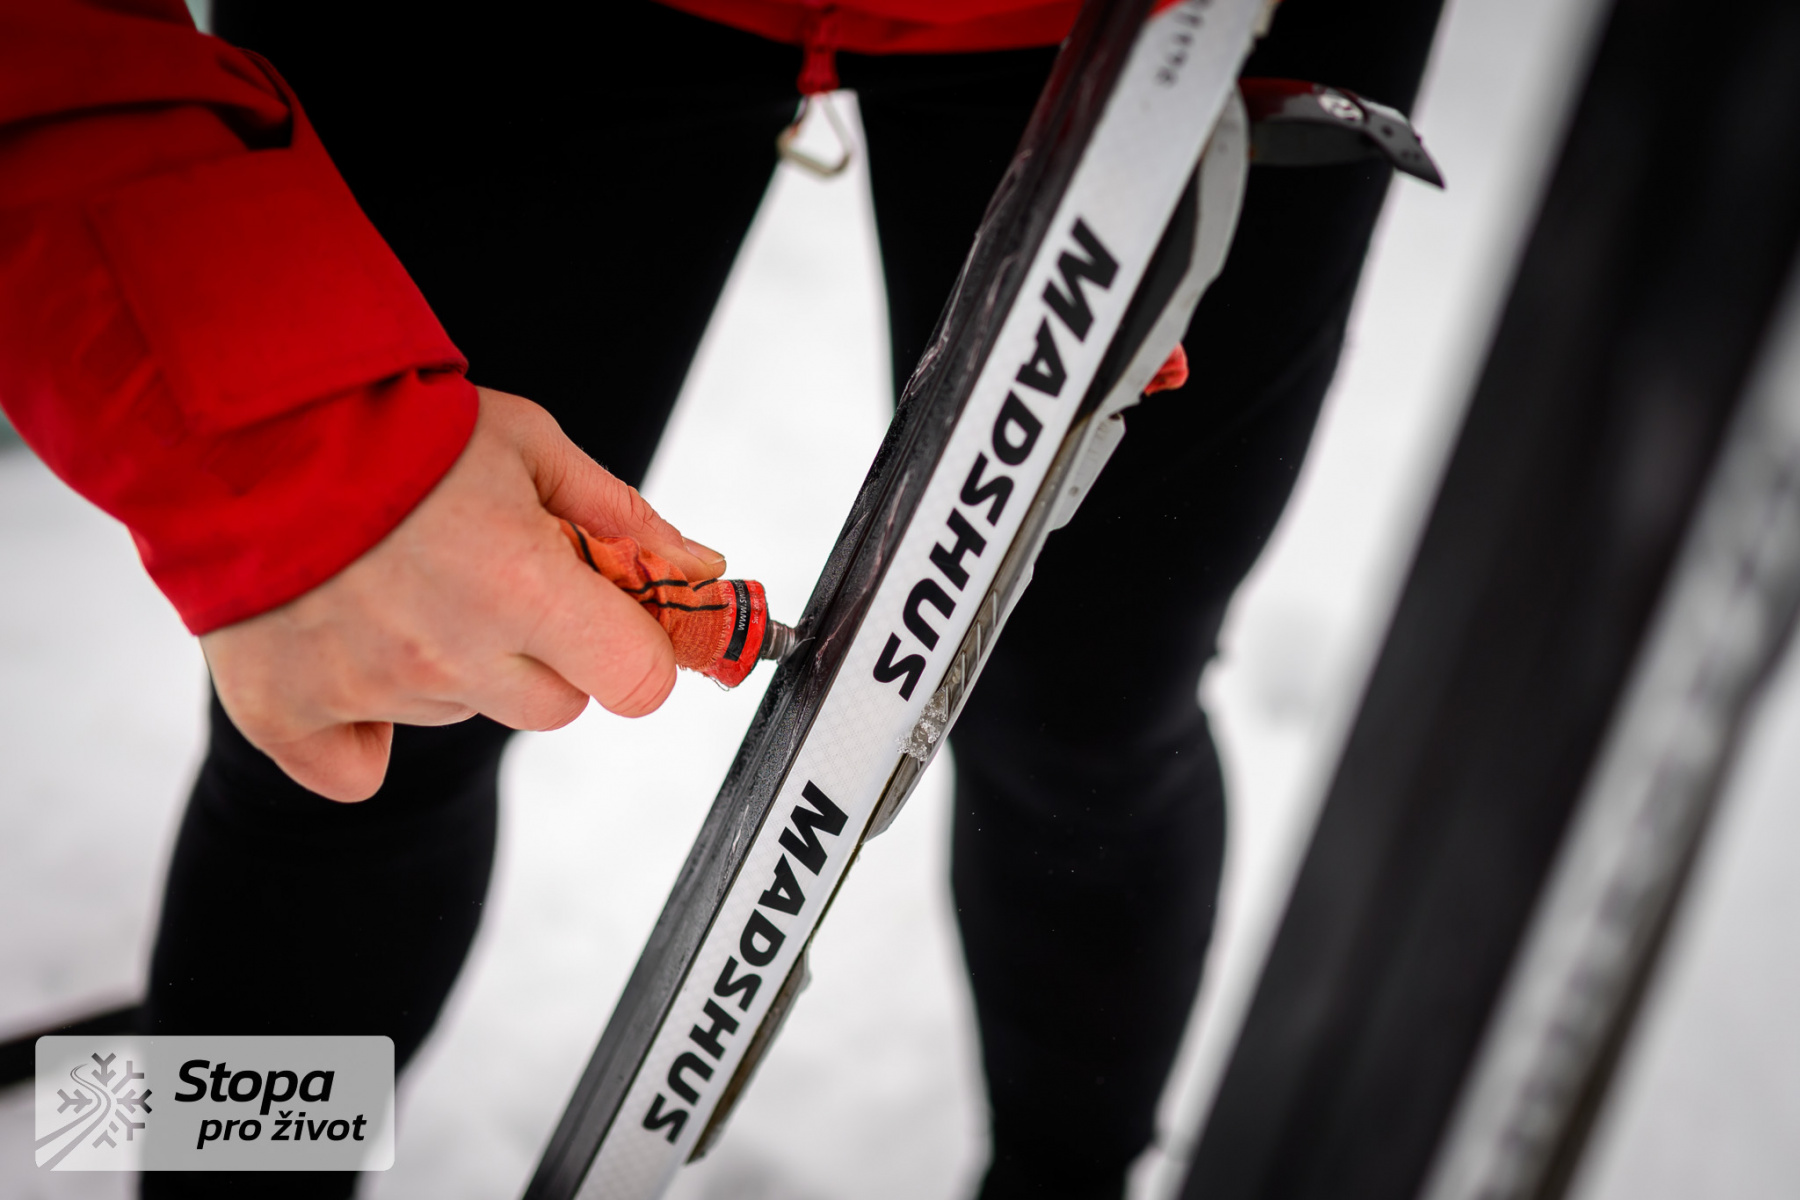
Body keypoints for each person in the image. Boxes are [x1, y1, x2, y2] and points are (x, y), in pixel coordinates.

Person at [0, 0, 1444, 1195]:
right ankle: (234, 1160)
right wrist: (287, 460)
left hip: (1165, 35)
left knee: (1081, 722)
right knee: (366, 723)